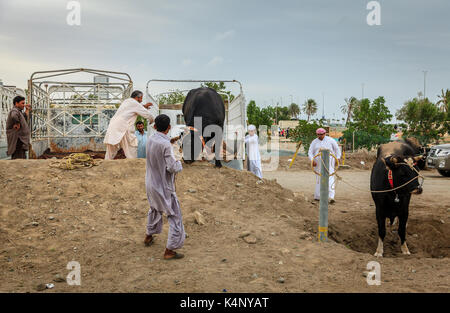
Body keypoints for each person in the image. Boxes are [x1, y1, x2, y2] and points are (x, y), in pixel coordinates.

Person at [144, 114, 185, 260]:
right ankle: (170, 250)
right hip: (163, 186)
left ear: (155, 126)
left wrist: (172, 140)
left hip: (150, 183)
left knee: (154, 209)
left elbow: (161, 144)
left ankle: (148, 236)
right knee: (174, 215)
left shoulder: (151, 139)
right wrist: (180, 162)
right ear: (169, 128)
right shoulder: (165, 145)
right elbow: (172, 167)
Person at [103, 90, 154, 159]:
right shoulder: (134, 104)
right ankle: (132, 163)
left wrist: (143, 106)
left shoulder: (127, 101)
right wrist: (152, 120)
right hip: (123, 126)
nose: (141, 100)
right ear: (137, 97)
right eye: (141, 98)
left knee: (111, 148)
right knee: (131, 146)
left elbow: (135, 107)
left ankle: (106, 162)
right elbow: (147, 114)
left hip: (114, 125)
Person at [308, 128, 341, 203]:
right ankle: (318, 196)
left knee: (329, 177)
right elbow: (310, 152)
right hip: (318, 163)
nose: (320, 136)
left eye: (321, 134)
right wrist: (312, 160)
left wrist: (338, 158)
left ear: (325, 134)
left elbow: (337, 149)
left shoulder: (331, 140)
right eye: (318, 134)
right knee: (319, 178)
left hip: (329, 162)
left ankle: (330, 197)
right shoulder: (314, 142)